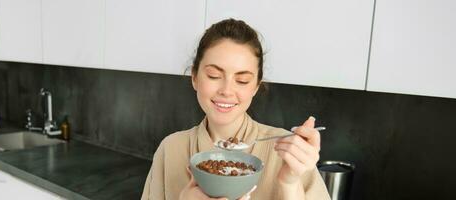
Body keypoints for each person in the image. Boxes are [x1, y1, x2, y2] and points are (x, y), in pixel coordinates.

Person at [141, 18, 330, 200]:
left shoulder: (288, 153)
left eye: (242, 81)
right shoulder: (171, 149)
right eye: (214, 75)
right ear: (194, 77)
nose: (226, 91)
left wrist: (289, 183)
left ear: (256, 86)